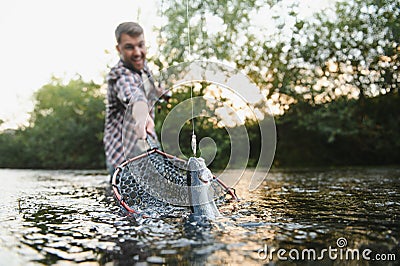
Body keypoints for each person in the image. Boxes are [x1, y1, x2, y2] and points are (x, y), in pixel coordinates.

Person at [103, 22, 166, 177]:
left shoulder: (143, 68)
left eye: (141, 45)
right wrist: (142, 118)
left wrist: (158, 93)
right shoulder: (120, 75)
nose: (137, 52)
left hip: (146, 151)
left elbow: (147, 92)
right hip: (122, 160)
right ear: (119, 49)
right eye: (130, 47)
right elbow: (134, 96)